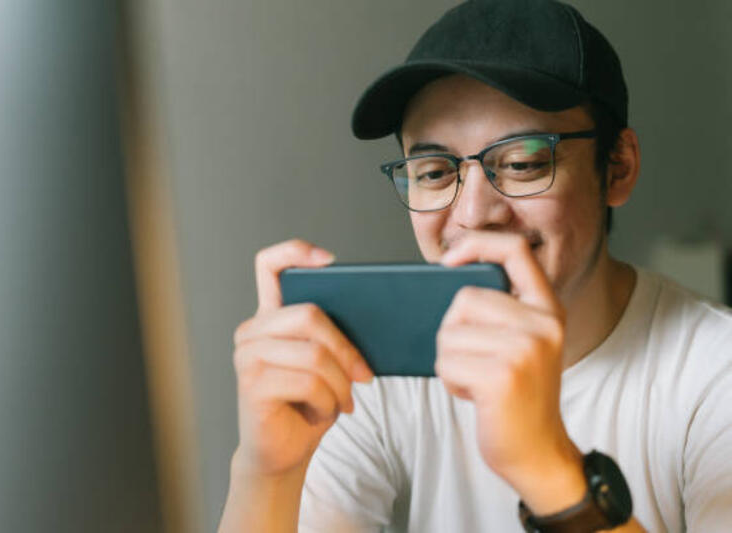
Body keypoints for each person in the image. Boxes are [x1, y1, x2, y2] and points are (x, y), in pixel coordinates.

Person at [219, 0, 732, 531]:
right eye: (436, 172)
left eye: (523, 162)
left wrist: (546, 466)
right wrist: (266, 472)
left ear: (618, 167)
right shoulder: (371, 373)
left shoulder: (715, 374)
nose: (472, 215)